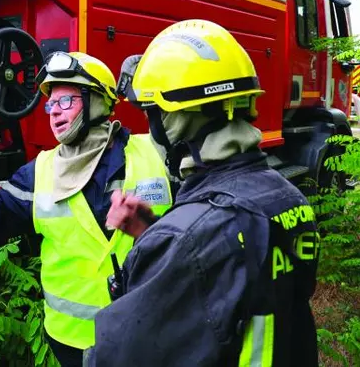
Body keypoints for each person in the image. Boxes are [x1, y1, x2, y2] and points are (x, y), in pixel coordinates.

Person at [86, 20, 320, 366]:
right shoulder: (289, 198)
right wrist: (152, 233)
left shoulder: (188, 237)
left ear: (175, 122)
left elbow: (119, 357)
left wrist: (166, 241)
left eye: (153, 114)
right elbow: (241, 284)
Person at [0, 52, 172, 366]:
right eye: (50, 105)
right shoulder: (39, 172)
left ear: (98, 101)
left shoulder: (154, 153)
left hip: (150, 334)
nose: (54, 114)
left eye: (66, 102)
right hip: (73, 342)